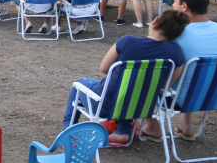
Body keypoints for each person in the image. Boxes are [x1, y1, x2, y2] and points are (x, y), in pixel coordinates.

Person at [63, 10, 188, 145]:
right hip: (141, 106)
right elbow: (165, 85)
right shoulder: (177, 52)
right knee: (135, 90)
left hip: (106, 105)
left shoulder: (128, 41)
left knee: (80, 83)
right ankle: (122, 131)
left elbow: (104, 68)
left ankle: (67, 130)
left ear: (156, 21)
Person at [162, 0, 217, 140]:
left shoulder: (176, 35)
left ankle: (151, 127)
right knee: (194, 75)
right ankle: (186, 126)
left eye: (175, 1)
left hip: (180, 100)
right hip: (216, 98)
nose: (173, 5)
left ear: (184, 6)